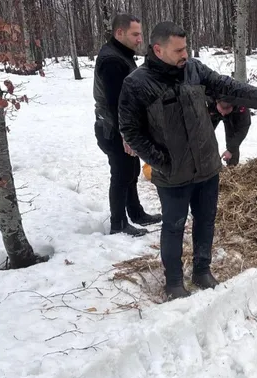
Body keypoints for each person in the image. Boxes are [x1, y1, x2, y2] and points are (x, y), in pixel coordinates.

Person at [117, 21, 257, 299]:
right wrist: (162, 162)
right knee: (174, 225)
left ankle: (202, 270)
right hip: (172, 175)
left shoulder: (194, 70)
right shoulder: (137, 84)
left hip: (206, 167)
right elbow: (130, 130)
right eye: (178, 50)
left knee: (205, 220)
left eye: (186, 48)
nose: (184, 54)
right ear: (158, 49)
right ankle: (174, 281)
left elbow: (232, 88)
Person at [93, 13, 161, 237]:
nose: (139, 39)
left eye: (140, 34)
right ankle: (118, 223)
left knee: (131, 171)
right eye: (135, 34)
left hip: (122, 127)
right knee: (121, 174)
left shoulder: (122, 55)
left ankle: (136, 213)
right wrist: (126, 134)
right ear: (119, 33)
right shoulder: (112, 60)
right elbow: (115, 102)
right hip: (113, 129)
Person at [206, 96, 251, 167]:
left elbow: (242, 131)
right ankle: (208, 165)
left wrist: (230, 150)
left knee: (232, 139)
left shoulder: (242, 109)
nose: (223, 115)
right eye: (221, 112)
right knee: (204, 135)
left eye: (225, 113)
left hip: (234, 115)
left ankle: (232, 166)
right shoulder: (211, 96)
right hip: (214, 110)